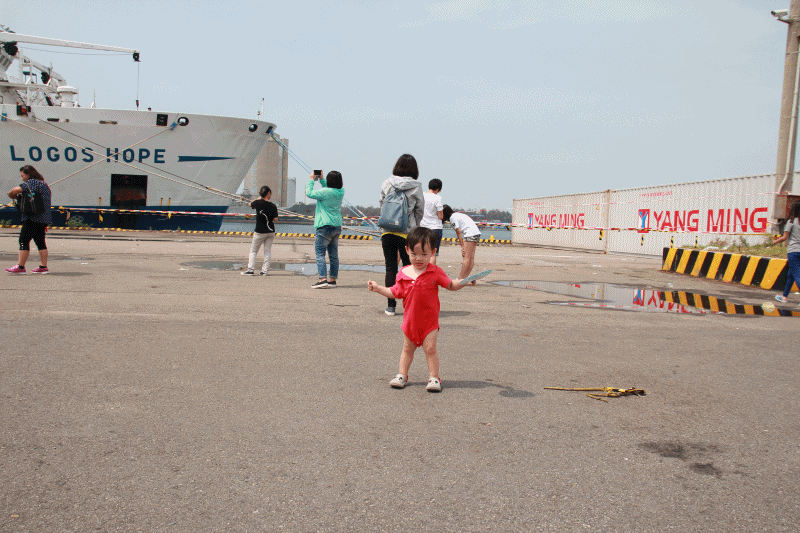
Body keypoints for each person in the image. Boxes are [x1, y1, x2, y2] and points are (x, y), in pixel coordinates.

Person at [368, 227, 468, 392]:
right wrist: (378, 288)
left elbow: (450, 285)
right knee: (407, 349)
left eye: (424, 254)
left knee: (430, 349)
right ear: (406, 250)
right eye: (414, 254)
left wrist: (463, 282)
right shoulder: (403, 273)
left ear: (433, 252)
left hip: (429, 322)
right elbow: (394, 292)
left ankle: (434, 377)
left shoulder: (435, 272)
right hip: (410, 322)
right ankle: (402, 375)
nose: (419, 258)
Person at [379, 154, 424, 315]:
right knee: (409, 269)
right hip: (407, 233)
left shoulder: (387, 183)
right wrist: (415, 227)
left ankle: (391, 307)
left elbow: (382, 204)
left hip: (388, 231)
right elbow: (419, 210)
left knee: (390, 268)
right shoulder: (416, 186)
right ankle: (409, 305)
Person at [6, 165, 52, 274]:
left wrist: (10, 194)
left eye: (23, 176)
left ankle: (20, 267)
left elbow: (16, 190)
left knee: (23, 240)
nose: (22, 178)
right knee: (40, 242)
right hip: (44, 219)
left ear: (28, 175)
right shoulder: (43, 184)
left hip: (32, 218)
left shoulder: (32, 183)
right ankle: (43, 266)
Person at [306, 170, 344, 288]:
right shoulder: (340, 192)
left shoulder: (324, 192)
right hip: (336, 226)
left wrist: (312, 179)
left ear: (329, 180)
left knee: (320, 254)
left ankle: (322, 279)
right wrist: (322, 180)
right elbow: (329, 190)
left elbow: (309, 193)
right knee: (333, 255)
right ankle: (332, 279)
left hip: (324, 226)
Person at [241, 185, 278, 276]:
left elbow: (250, 204)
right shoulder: (273, 206)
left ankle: (250, 270)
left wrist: (258, 199)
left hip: (260, 231)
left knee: (253, 251)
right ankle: (264, 271)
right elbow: (276, 219)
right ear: (268, 194)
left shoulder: (257, 203)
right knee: (267, 251)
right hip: (271, 231)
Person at [442, 205, 481, 281]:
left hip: (469, 234)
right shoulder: (457, 214)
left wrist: (462, 246)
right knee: (471, 258)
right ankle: (465, 278)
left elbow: (458, 232)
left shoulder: (452, 218)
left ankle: (460, 279)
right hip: (476, 233)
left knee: (466, 258)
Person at [772, 201, 800, 305]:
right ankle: (784, 296)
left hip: (793, 252)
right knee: (791, 274)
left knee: (797, 275)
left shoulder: (791, 222)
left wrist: (774, 242)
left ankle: (784, 296)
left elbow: (785, 237)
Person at [420, 178, 444, 265]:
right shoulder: (437, 198)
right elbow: (440, 216)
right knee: (433, 254)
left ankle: (422, 272)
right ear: (438, 189)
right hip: (435, 227)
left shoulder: (421, 196)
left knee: (423, 252)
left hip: (422, 228)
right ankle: (431, 275)